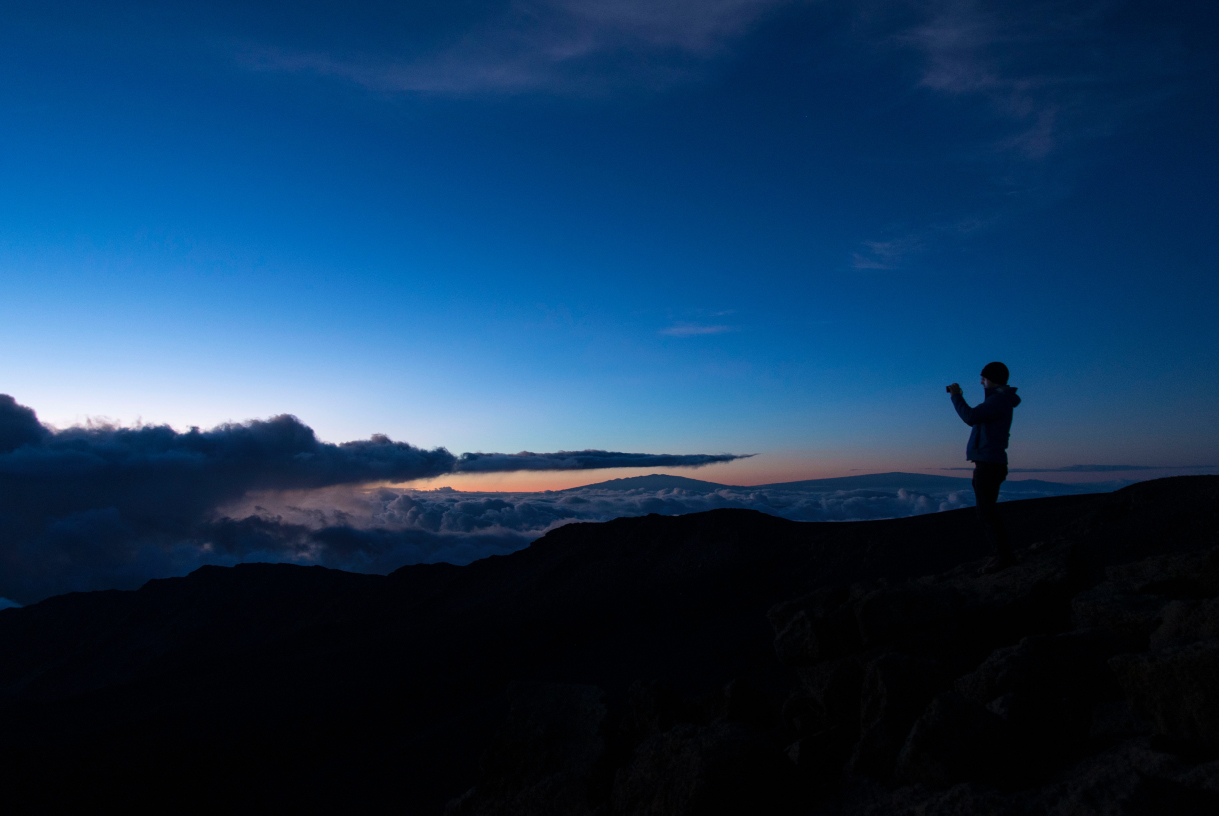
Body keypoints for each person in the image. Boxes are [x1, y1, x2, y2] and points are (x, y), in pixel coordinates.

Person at [947, 362, 1021, 573]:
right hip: (990, 461)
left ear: (992, 378)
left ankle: (1004, 557)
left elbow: (970, 416)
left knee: (987, 513)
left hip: (989, 463)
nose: (981, 382)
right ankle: (1002, 554)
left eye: (983, 378)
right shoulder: (999, 400)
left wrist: (956, 396)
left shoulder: (999, 401)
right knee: (987, 512)